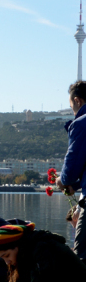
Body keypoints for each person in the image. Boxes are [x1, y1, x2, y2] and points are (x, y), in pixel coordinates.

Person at [56, 81, 86, 261]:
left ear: (77, 101)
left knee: (81, 258)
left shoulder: (81, 123)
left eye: (71, 107)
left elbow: (72, 168)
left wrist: (63, 181)